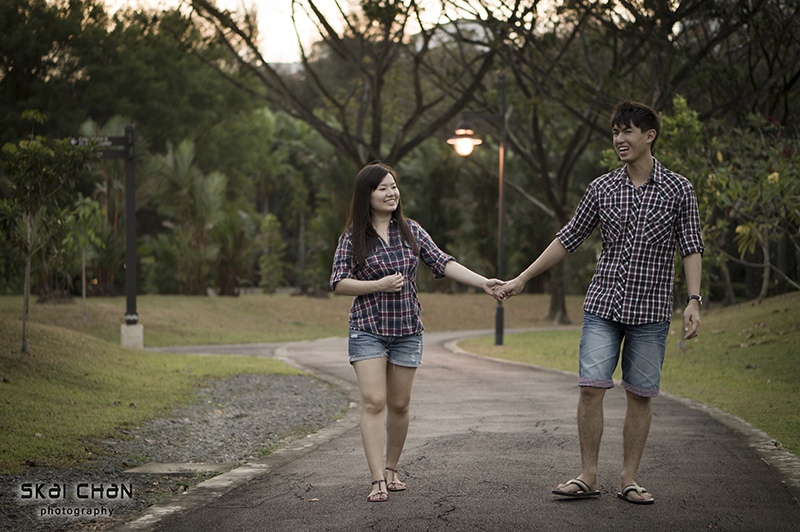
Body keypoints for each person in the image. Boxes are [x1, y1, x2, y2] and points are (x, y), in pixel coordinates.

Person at [497, 99, 704, 504]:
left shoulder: (679, 189)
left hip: (651, 311)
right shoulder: (601, 188)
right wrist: (522, 278)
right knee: (591, 389)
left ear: (649, 136)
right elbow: (568, 238)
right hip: (603, 306)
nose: (619, 139)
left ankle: (629, 478)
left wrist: (694, 300)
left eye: (627, 132)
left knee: (640, 395)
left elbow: (692, 247)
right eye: (615, 132)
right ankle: (588, 476)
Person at [330, 162, 504, 502]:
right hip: (368, 328)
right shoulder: (352, 238)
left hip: (408, 329)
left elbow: (443, 262)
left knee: (398, 403)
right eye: (382, 187)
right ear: (366, 194)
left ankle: (392, 468)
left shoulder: (412, 231)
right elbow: (339, 282)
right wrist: (376, 284)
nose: (391, 192)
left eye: (393, 186)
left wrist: (485, 282)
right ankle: (376, 478)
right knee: (374, 400)